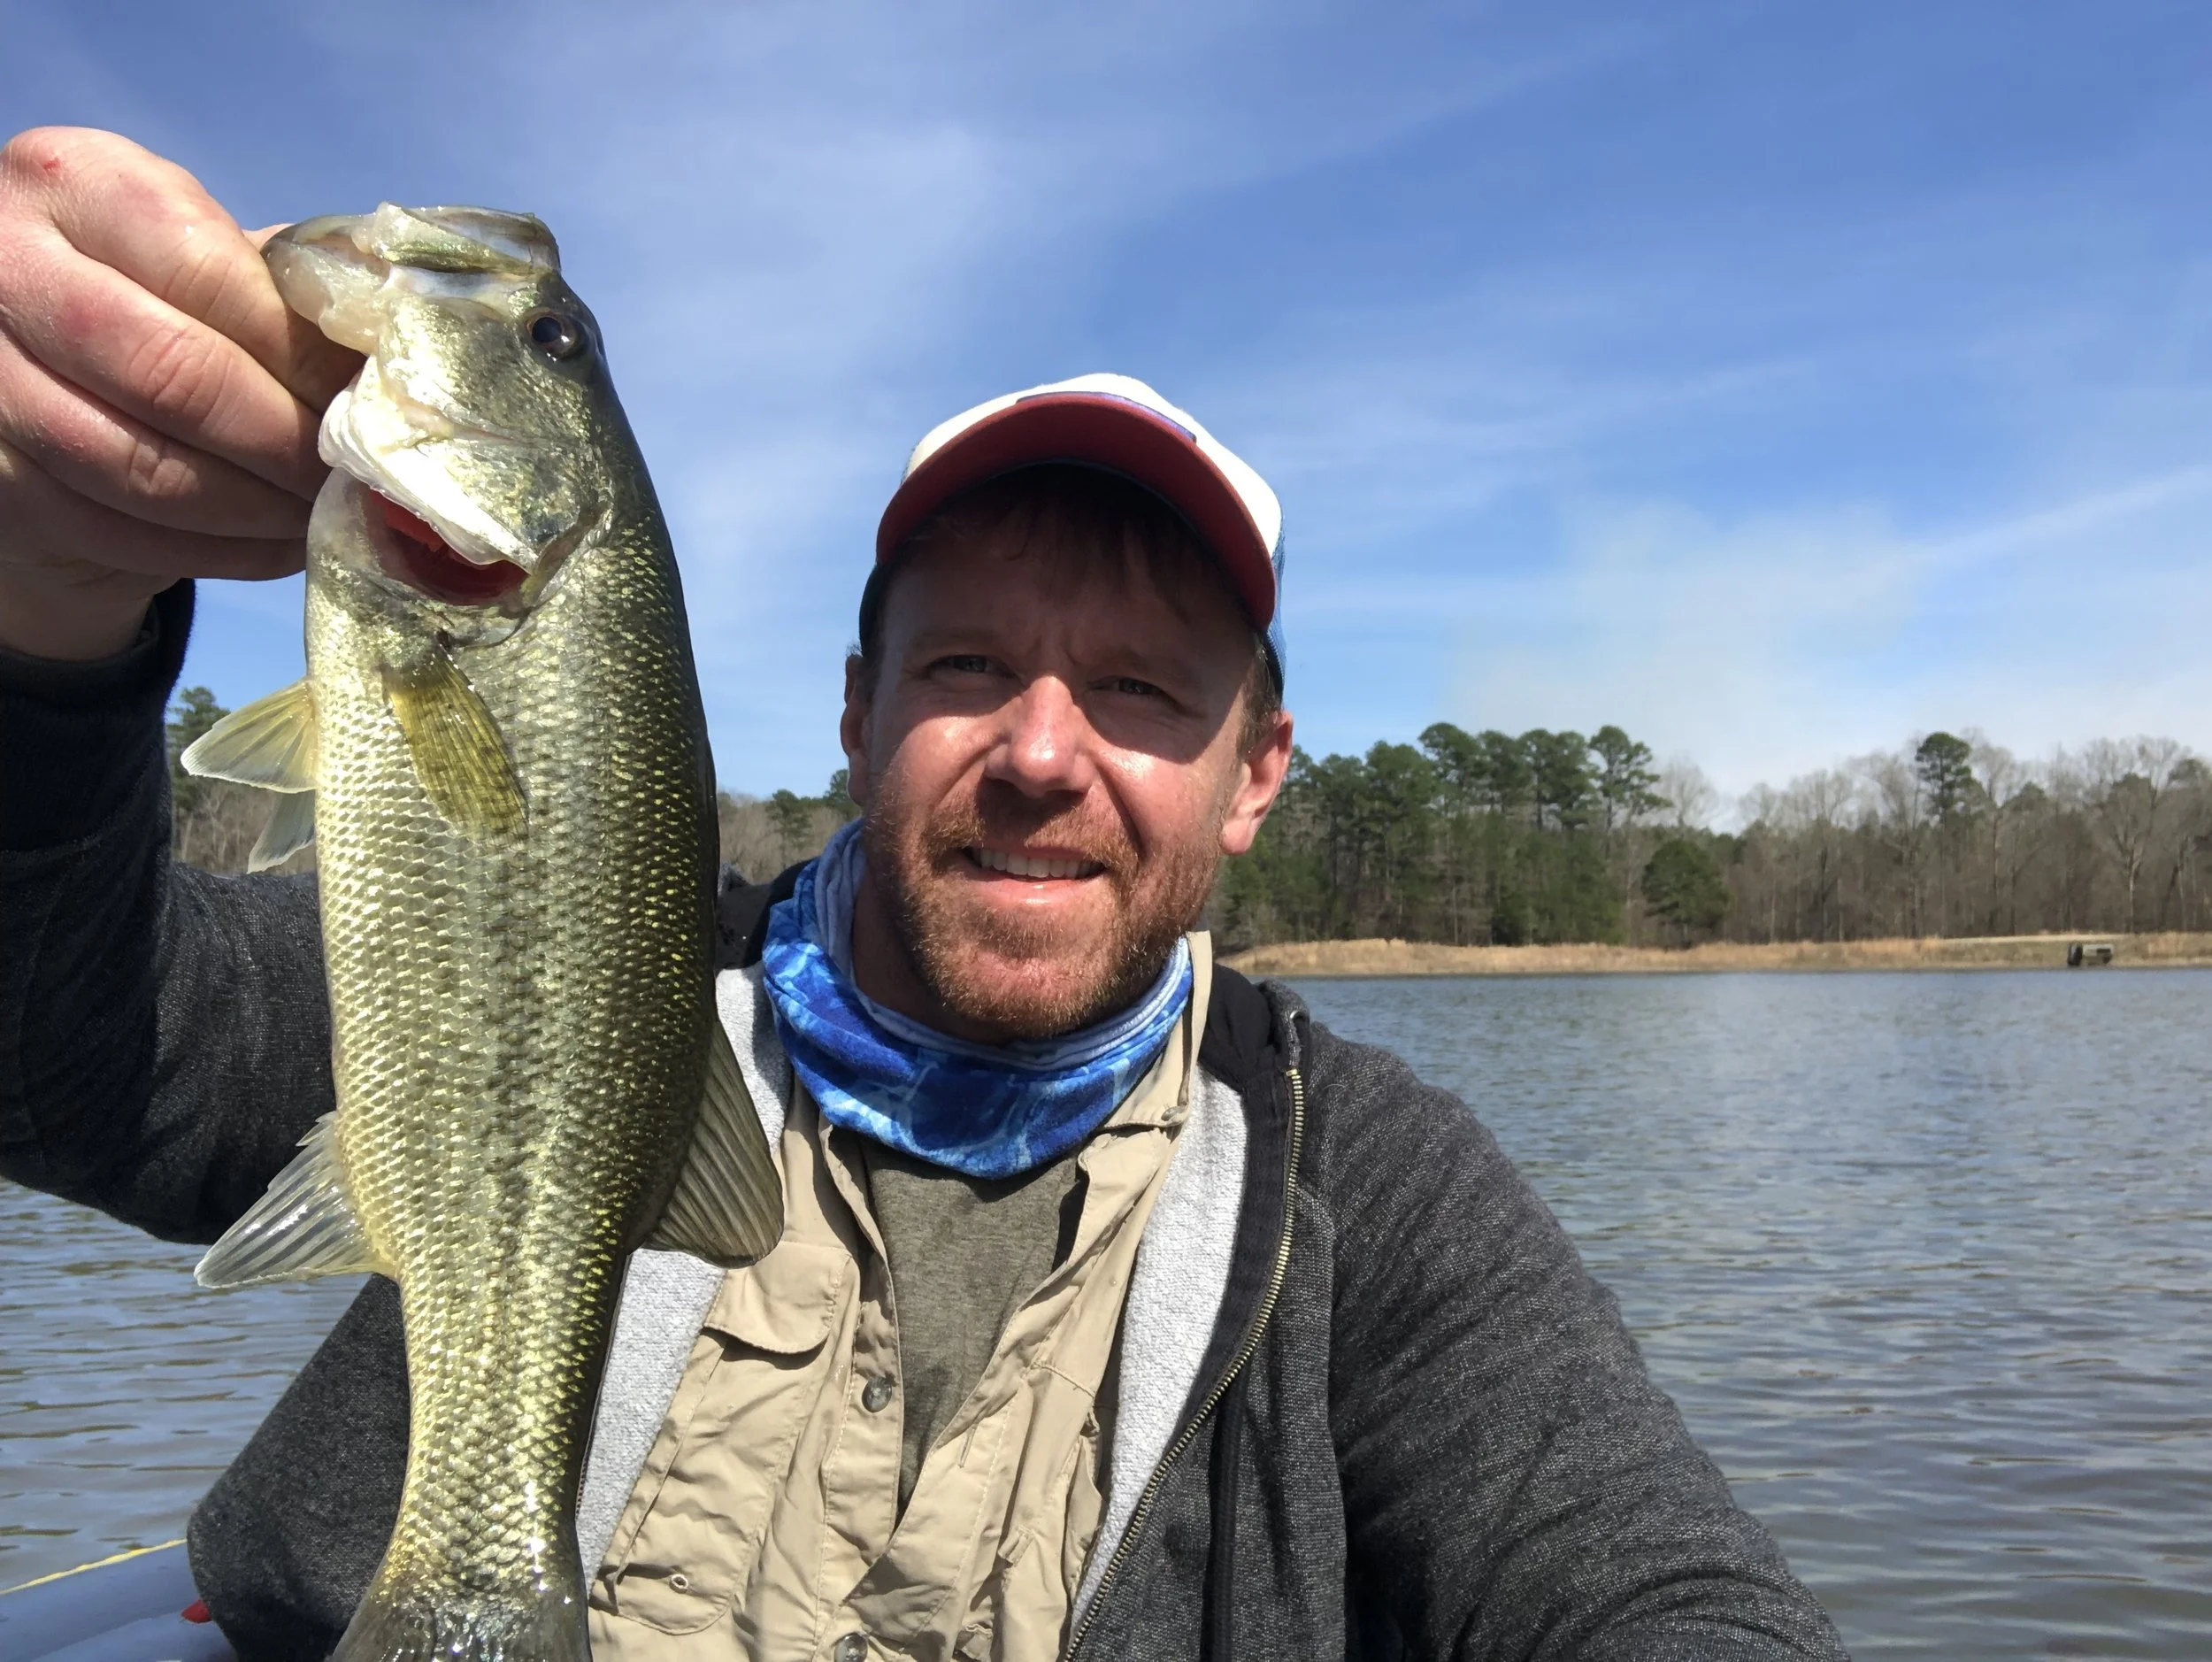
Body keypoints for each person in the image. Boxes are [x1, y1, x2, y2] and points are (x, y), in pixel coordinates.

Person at [0, 127, 1847, 1661]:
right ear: (856, 714)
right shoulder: (604, 976)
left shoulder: (1368, 1192)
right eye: (965, 666)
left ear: (1255, 772)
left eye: (1139, 691)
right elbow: (68, 1049)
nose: (1041, 752)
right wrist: (43, 621)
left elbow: (1651, 1584)